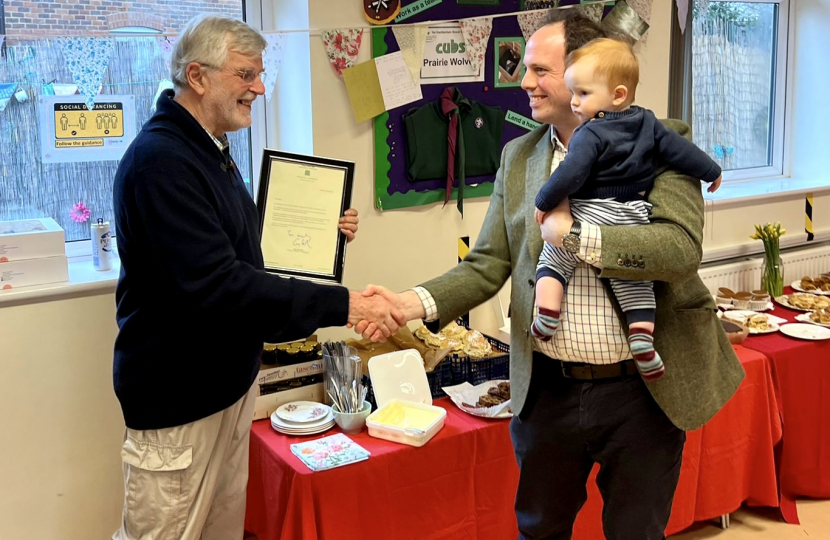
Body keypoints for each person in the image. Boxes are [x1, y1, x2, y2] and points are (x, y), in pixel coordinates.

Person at [357, 10, 745, 540]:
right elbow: (487, 263)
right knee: (539, 530)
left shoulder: (658, 140)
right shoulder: (519, 157)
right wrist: (409, 303)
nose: (524, 80)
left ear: (583, 71)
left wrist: (575, 238)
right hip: (547, 393)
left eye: (540, 69)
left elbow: (678, 249)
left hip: (640, 394)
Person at [111, 14, 402, 540]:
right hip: (179, 403)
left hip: (225, 387)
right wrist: (348, 305)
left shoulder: (209, 149)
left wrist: (319, 230)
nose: (260, 88)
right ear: (197, 76)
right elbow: (220, 286)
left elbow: (238, 249)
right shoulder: (162, 162)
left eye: (260, 74)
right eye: (246, 74)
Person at [530, 37, 723, 382]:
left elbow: (571, 173)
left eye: (583, 93)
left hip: (590, 211)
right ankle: (641, 336)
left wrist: (545, 202)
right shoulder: (649, 125)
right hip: (632, 214)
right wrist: (711, 171)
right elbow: (681, 152)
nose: (575, 102)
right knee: (634, 283)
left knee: (554, 259)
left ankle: (547, 313)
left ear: (617, 94)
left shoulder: (589, 133)